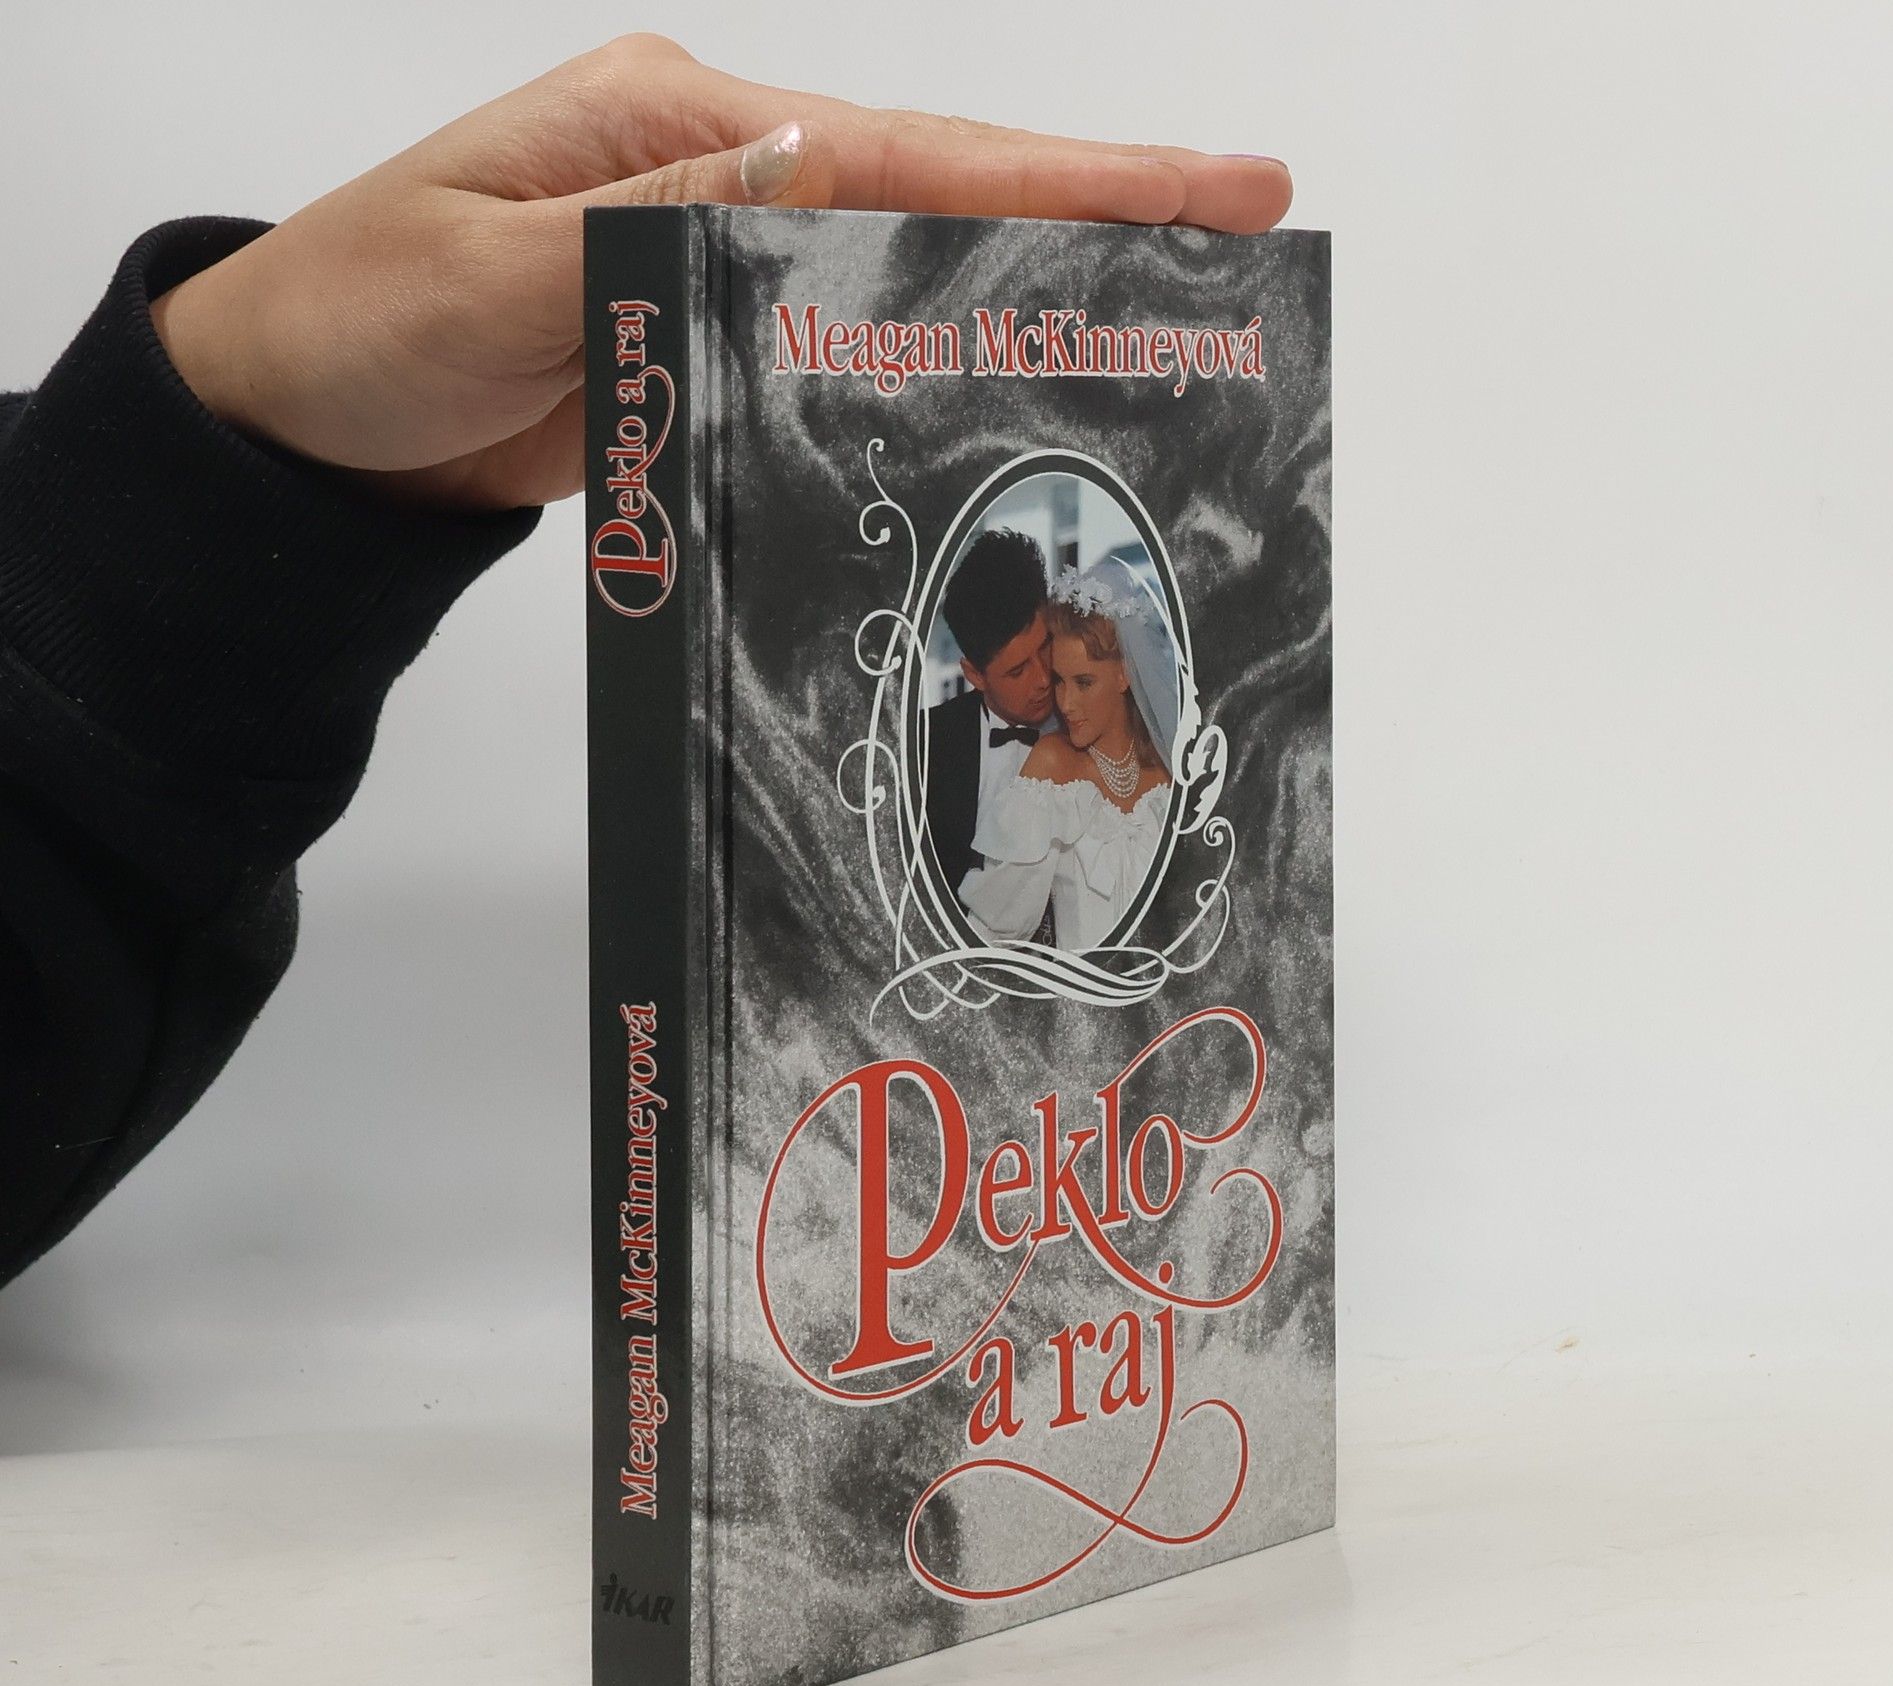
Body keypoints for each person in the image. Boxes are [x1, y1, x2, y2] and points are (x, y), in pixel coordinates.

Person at [0, 37, 1292, 1292]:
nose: (1043, 695)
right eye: (1023, 673)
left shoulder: (1158, 760)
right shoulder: (934, 751)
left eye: (1064, 674)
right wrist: (203, 437)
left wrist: (211, 443)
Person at [959, 555, 1181, 952]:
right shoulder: (1052, 766)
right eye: (1060, 681)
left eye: (1084, 682)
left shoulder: (1169, 770)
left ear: (1124, 674)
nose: (1065, 703)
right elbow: (995, 931)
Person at [923, 528, 1059, 899]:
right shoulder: (923, 748)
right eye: (1017, 671)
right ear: (974, 675)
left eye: (1045, 646)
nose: (1043, 679)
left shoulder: (1103, 722)